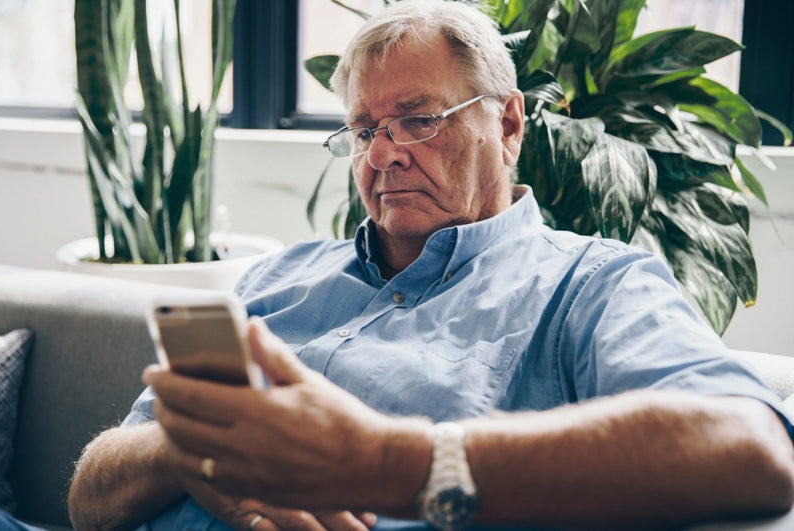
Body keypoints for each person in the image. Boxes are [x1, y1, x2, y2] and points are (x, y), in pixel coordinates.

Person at [67, 1, 794, 530]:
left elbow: (754, 447)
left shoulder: (591, 287)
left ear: (508, 124)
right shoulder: (274, 280)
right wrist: (199, 450)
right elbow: (88, 501)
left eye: (420, 120)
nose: (383, 154)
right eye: (364, 130)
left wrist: (383, 459)